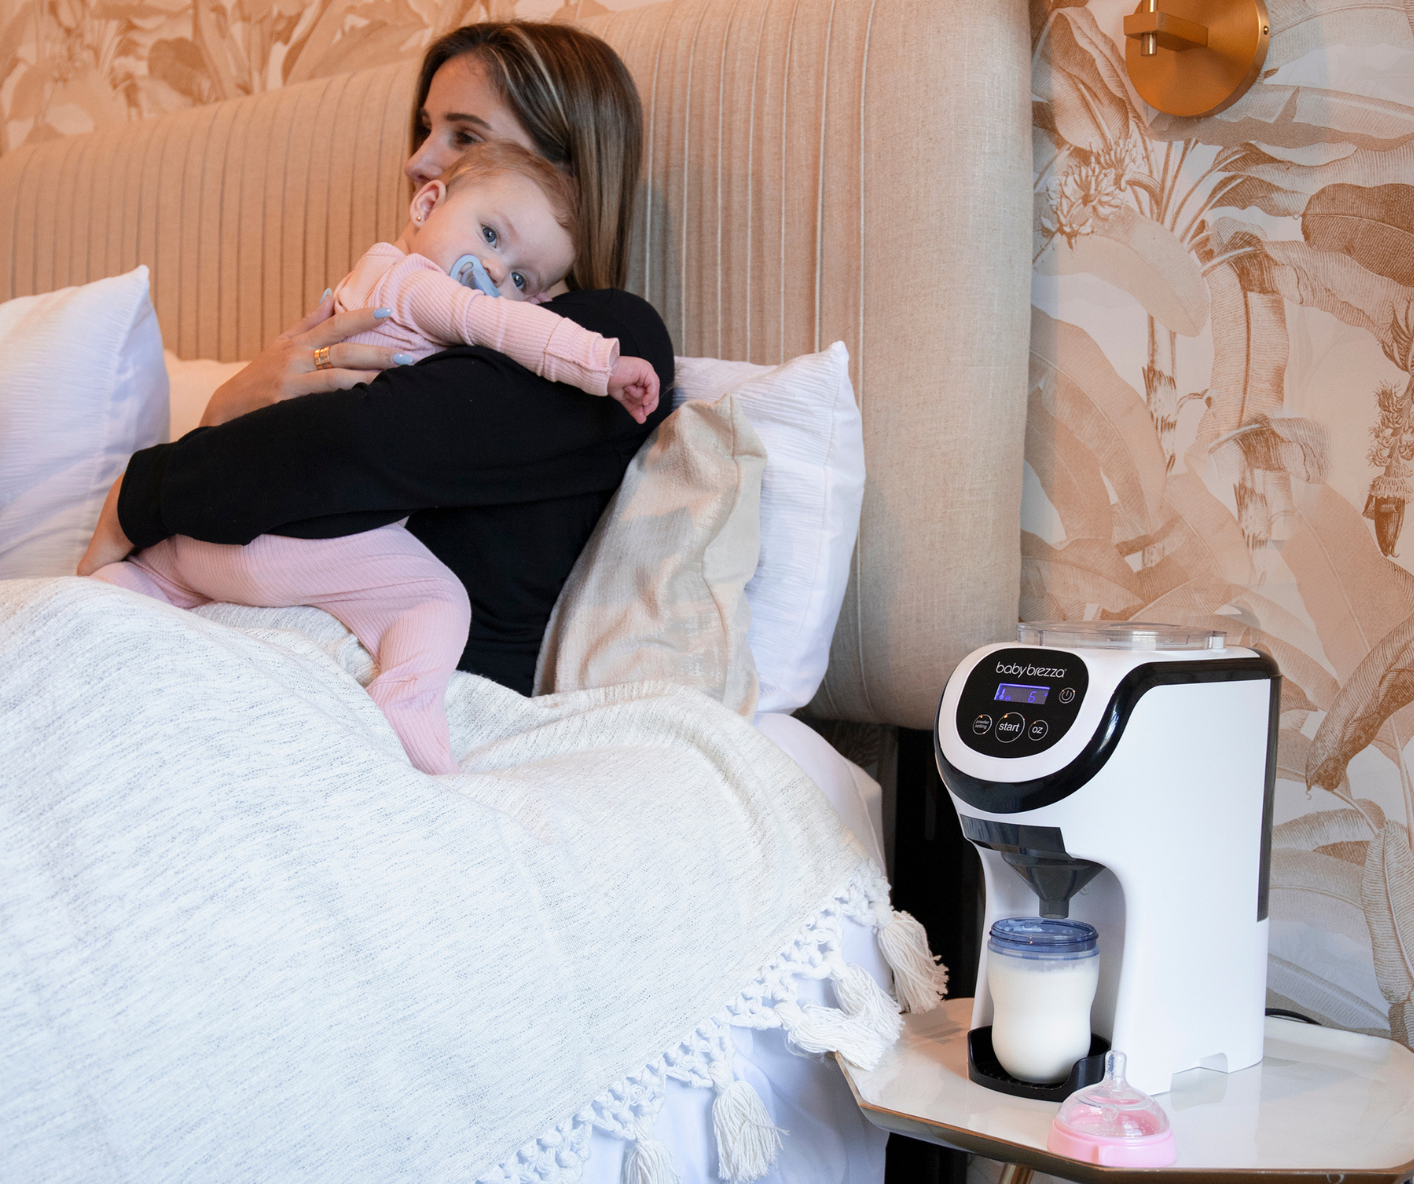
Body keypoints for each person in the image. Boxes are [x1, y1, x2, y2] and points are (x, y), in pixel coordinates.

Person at [79, 21, 673, 714]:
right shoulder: (409, 300)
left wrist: (141, 492)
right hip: (252, 641)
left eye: (464, 136)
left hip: (412, 693)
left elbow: (350, 443)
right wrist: (231, 406)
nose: (418, 160)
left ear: (565, 171)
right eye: (425, 129)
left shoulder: (610, 338)